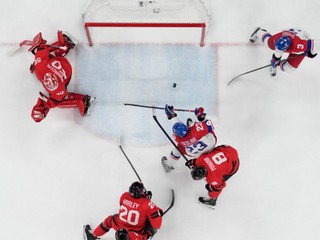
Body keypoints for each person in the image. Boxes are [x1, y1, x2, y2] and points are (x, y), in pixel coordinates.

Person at [28, 31, 95, 122]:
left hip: (66, 73)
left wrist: (49, 104)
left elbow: (60, 96)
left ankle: (83, 100)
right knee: (46, 57)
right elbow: (42, 49)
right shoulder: (39, 65)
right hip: (61, 64)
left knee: (59, 103)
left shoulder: (57, 89)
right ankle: (65, 44)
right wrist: (38, 48)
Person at [84, 182, 163, 240]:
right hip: (135, 232)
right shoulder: (147, 203)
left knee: (109, 220)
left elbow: (131, 204)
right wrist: (155, 208)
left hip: (118, 225)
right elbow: (157, 224)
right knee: (151, 223)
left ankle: (93, 235)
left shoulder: (124, 196)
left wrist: (144, 198)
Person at [161, 104, 217, 173]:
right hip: (211, 144)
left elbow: (177, 126)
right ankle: (193, 124)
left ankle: (169, 165)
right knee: (205, 128)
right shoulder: (197, 130)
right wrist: (201, 116)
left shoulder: (178, 139)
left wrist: (171, 116)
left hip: (197, 154)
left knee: (177, 149)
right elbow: (216, 121)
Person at [249, 27, 320, 77]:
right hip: (288, 32)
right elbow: (277, 55)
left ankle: (281, 63)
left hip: (302, 38)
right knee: (269, 43)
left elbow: (317, 44)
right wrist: (275, 61)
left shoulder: (299, 45)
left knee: (289, 68)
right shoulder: (276, 40)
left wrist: (311, 53)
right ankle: (259, 31)